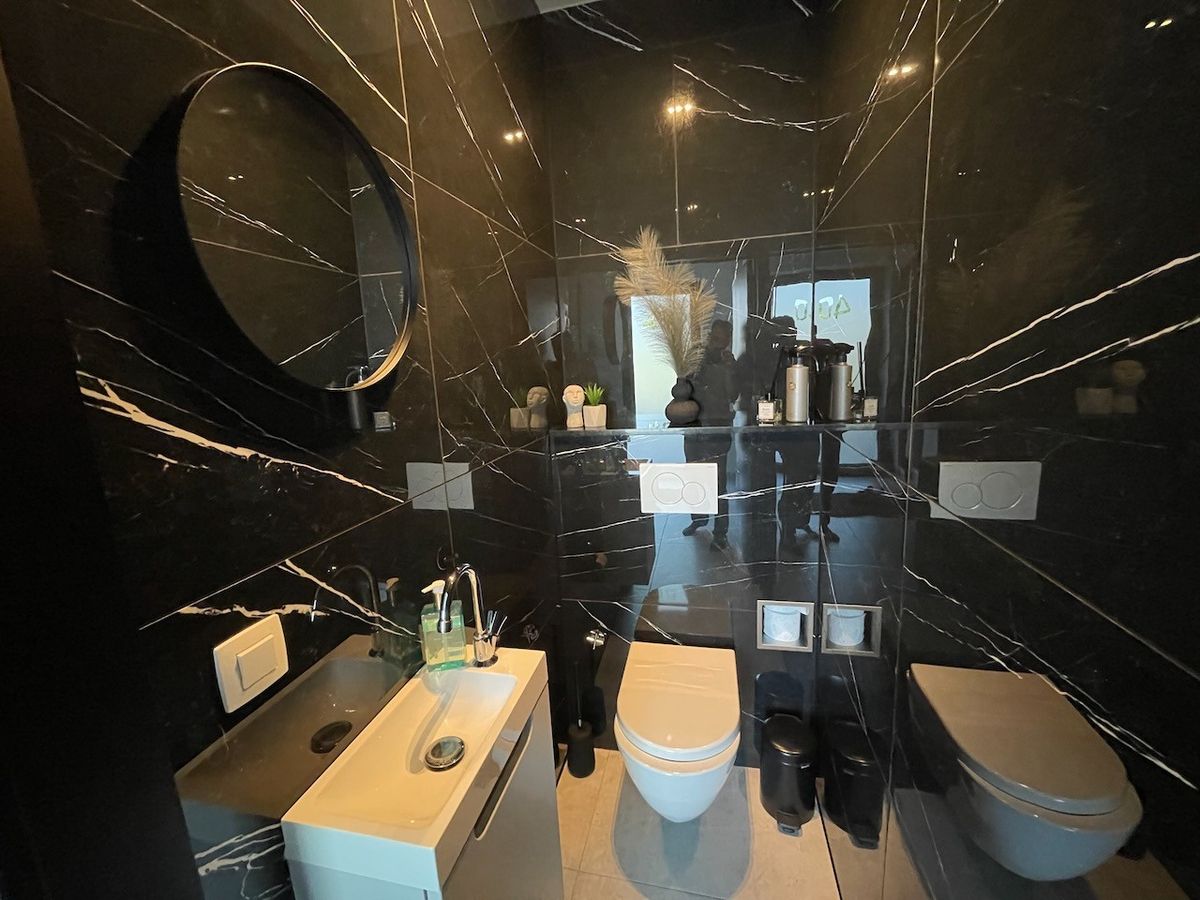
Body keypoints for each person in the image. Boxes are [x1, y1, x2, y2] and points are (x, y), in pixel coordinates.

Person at [682, 320, 736, 550]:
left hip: (718, 426)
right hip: (695, 424)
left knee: (719, 482)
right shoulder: (696, 359)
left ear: (728, 340)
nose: (717, 343)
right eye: (714, 338)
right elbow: (684, 389)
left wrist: (728, 369)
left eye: (722, 339)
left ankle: (721, 532)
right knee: (694, 476)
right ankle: (698, 519)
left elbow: (733, 395)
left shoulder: (729, 362)